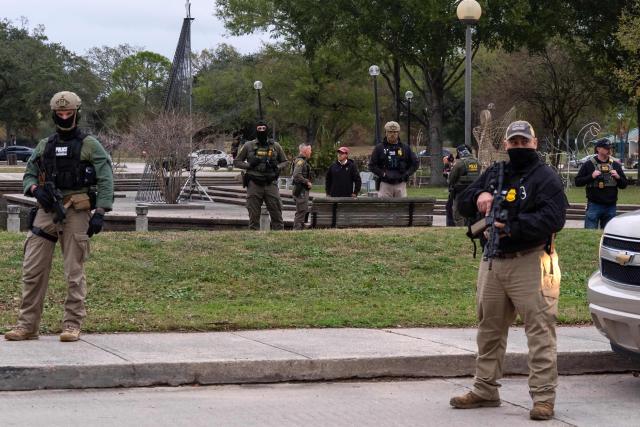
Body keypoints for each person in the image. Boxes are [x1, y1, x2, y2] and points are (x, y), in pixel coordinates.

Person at [450, 120, 568, 421]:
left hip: (531, 260)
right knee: (488, 329)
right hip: (492, 262)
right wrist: (478, 197)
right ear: (506, 145)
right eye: (513, 143)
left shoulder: (546, 178)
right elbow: (461, 204)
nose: (518, 147)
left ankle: (543, 399)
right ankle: (485, 388)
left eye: (523, 143)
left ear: (535, 143)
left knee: (539, 331)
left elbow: (553, 219)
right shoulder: (494, 173)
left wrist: (512, 228)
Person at [5, 91, 114, 342]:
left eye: (69, 113)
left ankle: (72, 324)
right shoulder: (45, 145)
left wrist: (100, 212)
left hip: (77, 211)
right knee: (32, 269)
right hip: (48, 212)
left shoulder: (90, 144)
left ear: (77, 113)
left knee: (73, 272)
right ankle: (27, 325)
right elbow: (30, 173)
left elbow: (106, 178)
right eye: (60, 113)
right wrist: (35, 190)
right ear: (54, 114)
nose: (64, 117)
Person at [234, 120, 288, 230]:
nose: (262, 131)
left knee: (276, 212)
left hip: (270, 183)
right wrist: (249, 165)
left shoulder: (275, 146)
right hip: (254, 183)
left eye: (264, 129)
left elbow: (285, 162)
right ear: (256, 130)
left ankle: (280, 238)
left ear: (267, 130)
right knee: (253, 214)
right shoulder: (248, 145)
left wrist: (276, 167)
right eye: (259, 129)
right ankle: (254, 237)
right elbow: (237, 162)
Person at [574, 138, 628, 229]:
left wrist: (618, 177)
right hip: (594, 205)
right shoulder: (588, 164)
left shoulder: (615, 165)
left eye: (610, 148)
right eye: (606, 148)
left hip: (611, 206)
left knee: (608, 235)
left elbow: (624, 185)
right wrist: (591, 176)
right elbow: (577, 182)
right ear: (598, 149)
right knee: (589, 236)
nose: (609, 150)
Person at [368, 121, 419, 198]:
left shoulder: (405, 148)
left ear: (398, 133)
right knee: (385, 208)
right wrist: (382, 174)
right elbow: (372, 165)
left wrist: (407, 173)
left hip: (401, 184)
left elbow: (415, 163)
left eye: (395, 132)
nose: (392, 134)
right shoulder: (379, 148)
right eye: (390, 132)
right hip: (385, 184)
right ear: (386, 133)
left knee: (402, 208)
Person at [448, 144, 480, 226]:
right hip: (474, 191)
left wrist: (451, 187)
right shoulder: (477, 162)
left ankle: (460, 230)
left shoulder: (460, 163)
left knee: (457, 213)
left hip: (461, 192)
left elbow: (451, 178)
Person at [291, 143, 313, 230]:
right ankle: (297, 230)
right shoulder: (300, 161)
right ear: (305, 151)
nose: (311, 152)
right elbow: (296, 174)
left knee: (303, 210)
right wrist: (307, 182)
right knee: (301, 211)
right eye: (310, 150)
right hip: (301, 190)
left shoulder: (302, 161)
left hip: (302, 190)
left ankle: (300, 228)